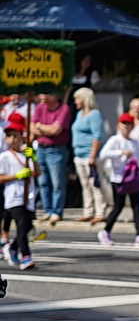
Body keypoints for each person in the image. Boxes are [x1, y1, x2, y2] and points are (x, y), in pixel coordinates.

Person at [96, 112, 139, 247]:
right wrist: (121, 153)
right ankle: (105, 231)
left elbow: (138, 161)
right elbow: (103, 155)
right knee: (118, 207)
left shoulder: (136, 143)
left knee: (136, 206)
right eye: (123, 123)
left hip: (133, 177)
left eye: (128, 123)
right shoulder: (115, 140)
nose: (126, 126)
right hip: (119, 177)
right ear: (118, 125)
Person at [29, 89, 72, 223]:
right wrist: (44, 128)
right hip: (41, 149)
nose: (40, 96)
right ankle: (47, 210)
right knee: (43, 182)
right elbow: (31, 127)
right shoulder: (40, 108)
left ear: (53, 96)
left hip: (56, 149)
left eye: (44, 93)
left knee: (57, 182)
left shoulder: (64, 109)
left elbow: (56, 130)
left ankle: (56, 211)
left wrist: (40, 127)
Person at [71, 87, 109, 225]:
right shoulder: (79, 114)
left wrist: (92, 155)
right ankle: (88, 211)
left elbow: (97, 136)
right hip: (78, 154)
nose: (75, 102)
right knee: (85, 185)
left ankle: (100, 212)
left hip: (89, 154)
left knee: (95, 184)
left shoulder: (94, 114)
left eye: (77, 98)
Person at [2, 114, 35, 269]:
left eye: (15, 136)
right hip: (13, 196)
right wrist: (17, 176)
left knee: (27, 226)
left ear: (22, 137)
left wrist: (33, 158)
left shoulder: (25, 155)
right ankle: (26, 256)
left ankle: (13, 248)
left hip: (28, 196)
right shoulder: (4, 157)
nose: (12, 139)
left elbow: (37, 173)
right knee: (21, 225)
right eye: (9, 136)